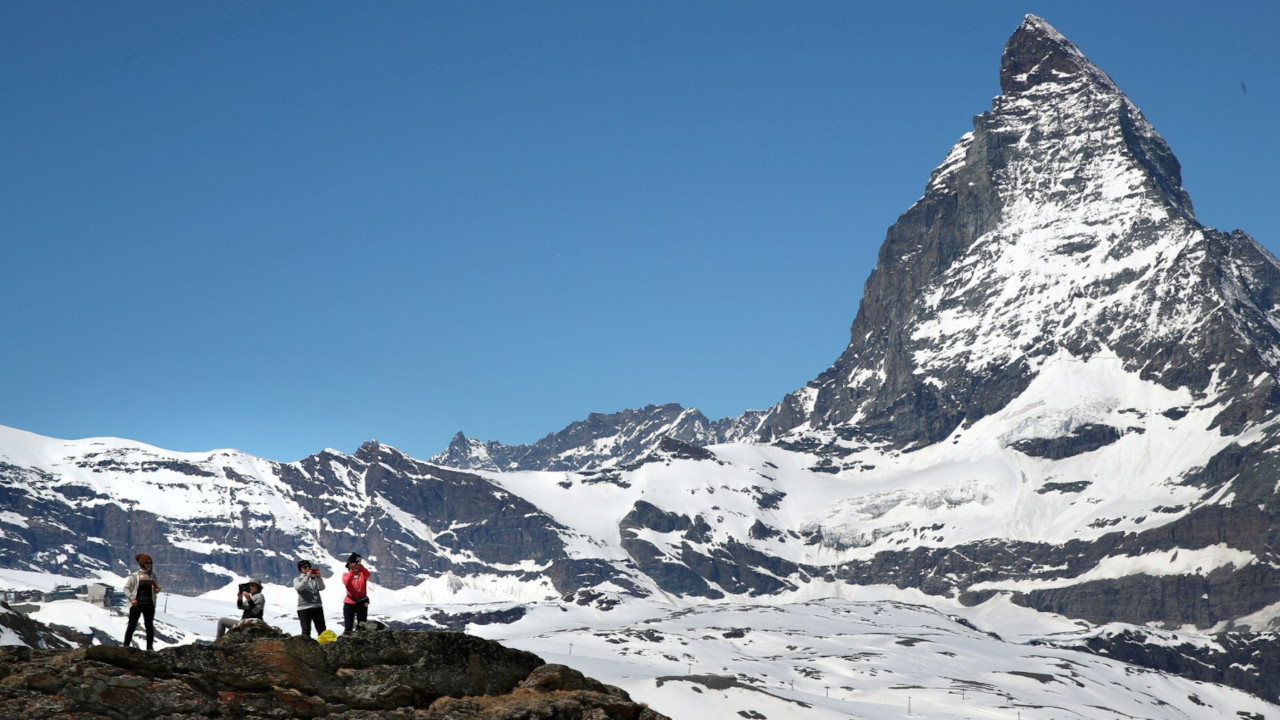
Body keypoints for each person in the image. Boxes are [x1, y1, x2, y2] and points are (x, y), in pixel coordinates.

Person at [122, 553, 161, 651]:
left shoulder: (152, 576)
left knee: (149, 626)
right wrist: (132, 599)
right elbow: (126, 588)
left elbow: (155, 590)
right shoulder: (135, 576)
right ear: (142, 564)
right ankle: (126, 646)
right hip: (137, 604)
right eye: (147, 563)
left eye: (151, 563)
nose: (149, 565)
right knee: (132, 625)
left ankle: (149, 647)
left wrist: (157, 590)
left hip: (149, 604)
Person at [292, 560, 326, 638]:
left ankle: (324, 647)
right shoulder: (297, 579)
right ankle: (306, 648)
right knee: (306, 630)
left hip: (317, 606)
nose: (307, 568)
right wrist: (307, 577)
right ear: (300, 569)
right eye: (305, 567)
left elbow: (322, 588)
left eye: (309, 567)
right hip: (304, 608)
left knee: (322, 630)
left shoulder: (314, 578)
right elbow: (299, 587)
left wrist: (319, 578)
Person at [341, 553, 370, 633]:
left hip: (362, 602)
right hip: (350, 603)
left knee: (362, 626)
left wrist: (360, 566)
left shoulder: (362, 575)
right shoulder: (345, 575)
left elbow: (368, 574)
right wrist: (352, 570)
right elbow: (347, 582)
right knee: (348, 627)